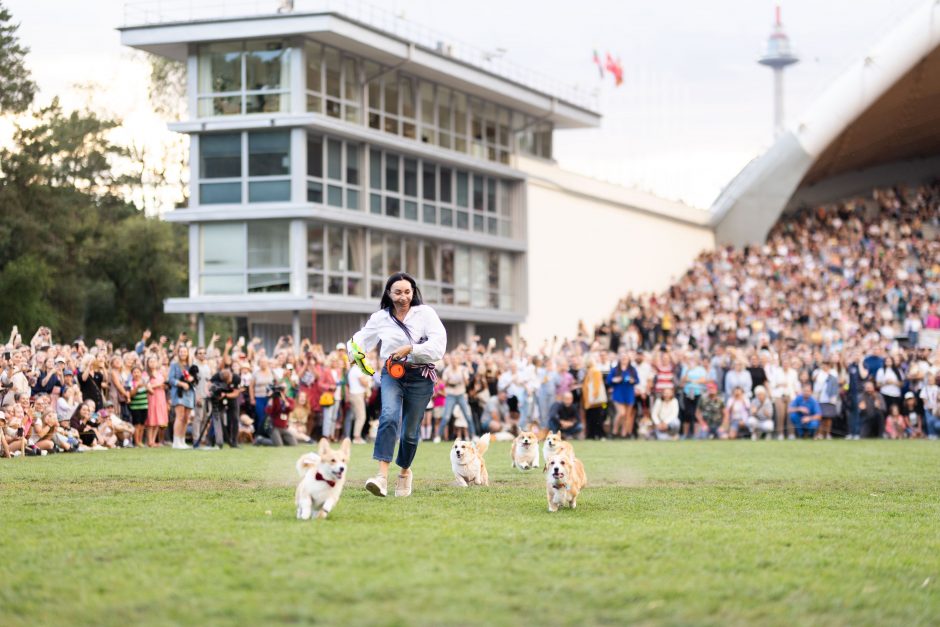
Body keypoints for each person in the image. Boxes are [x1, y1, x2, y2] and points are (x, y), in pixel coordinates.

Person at [350, 272, 446, 498]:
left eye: (407, 292)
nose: (403, 297)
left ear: (413, 292)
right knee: (389, 416)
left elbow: (438, 347)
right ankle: (381, 477)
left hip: (420, 376)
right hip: (392, 373)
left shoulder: (426, 314)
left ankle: (404, 472)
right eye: (398, 292)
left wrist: (411, 349)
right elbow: (361, 339)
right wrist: (353, 352)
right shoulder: (380, 318)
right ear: (388, 293)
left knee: (410, 432)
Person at [168, 345, 195, 450]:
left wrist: (192, 379)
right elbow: (170, 379)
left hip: (189, 393)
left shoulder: (191, 366)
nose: (183, 353)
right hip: (178, 393)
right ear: (178, 353)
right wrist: (181, 384)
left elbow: (196, 378)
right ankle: (176, 441)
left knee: (186, 418)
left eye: (185, 351)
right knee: (179, 416)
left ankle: (182, 440)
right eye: (181, 351)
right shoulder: (174, 365)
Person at [606, 352, 638, 438]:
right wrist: (614, 380)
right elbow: (608, 380)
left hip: (629, 394)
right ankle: (614, 431)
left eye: (626, 358)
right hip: (618, 394)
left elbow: (637, 380)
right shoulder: (615, 369)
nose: (624, 360)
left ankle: (624, 434)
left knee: (627, 415)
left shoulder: (632, 370)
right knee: (621, 413)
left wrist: (633, 380)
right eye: (623, 358)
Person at [144, 356, 168, 447]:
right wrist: (157, 385)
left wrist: (162, 386)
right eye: (151, 361)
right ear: (147, 363)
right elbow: (147, 386)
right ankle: (149, 440)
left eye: (154, 361)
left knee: (158, 419)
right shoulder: (146, 374)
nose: (153, 363)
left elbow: (164, 384)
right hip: (151, 397)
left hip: (161, 397)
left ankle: (153, 441)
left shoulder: (160, 373)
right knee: (151, 419)